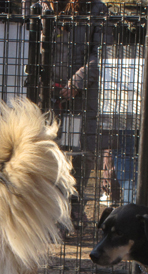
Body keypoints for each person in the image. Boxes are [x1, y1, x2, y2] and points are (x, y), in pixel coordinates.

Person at [42, 0, 111, 227]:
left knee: (84, 151)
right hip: (46, 91)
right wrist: (46, 81)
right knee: (50, 150)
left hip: (83, 95)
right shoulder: (42, 6)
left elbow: (100, 54)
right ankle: (51, 209)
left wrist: (75, 83)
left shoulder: (96, 8)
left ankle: (75, 205)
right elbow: (33, 45)